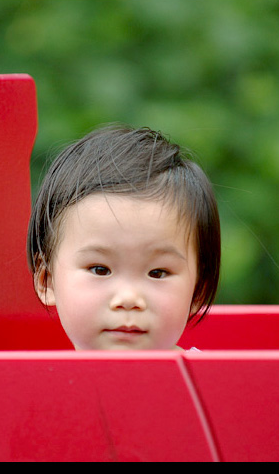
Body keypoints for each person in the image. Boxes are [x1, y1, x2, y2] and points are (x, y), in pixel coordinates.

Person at [27, 124, 220, 350]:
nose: (128, 299)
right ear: (47, 280)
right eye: (100, 269)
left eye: (157, 273)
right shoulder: (29, 374)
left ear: (198, 290)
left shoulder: (212, 373)